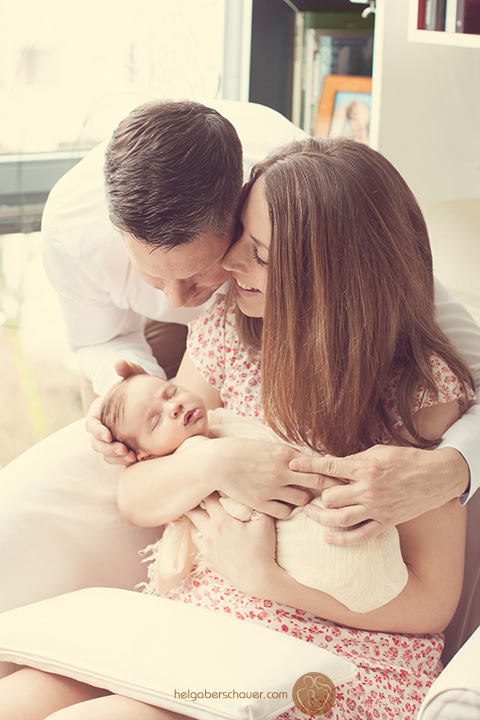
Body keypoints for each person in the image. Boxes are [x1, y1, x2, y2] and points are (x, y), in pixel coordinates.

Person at [0, 136, 475, 719]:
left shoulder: (419, 393)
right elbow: (136, 497)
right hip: (207, 624)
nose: (229, 264)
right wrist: (211, 462)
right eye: (240, 238)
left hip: (337, 655)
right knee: (18, 699)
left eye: (260, 254)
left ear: (332, 273)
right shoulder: (230, 329)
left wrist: (266, 579)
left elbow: (432, 601)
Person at [42, 97, 480, 540]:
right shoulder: (73, 232)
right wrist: (138, 402)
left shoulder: (298, 194)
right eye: (153, 274)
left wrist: (452, 468)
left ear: (242, 209)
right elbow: (100, 342)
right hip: (203, 331)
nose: (178, 300)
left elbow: (456, 357)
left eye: (198, 270)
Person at [100, 370, 409, 611]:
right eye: (156, 420)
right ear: (145, 456)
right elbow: (134, 504)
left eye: (171, 392)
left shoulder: (223, 425)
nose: (174, 405)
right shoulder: (179, 471)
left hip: (325, 583)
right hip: (255, 570)